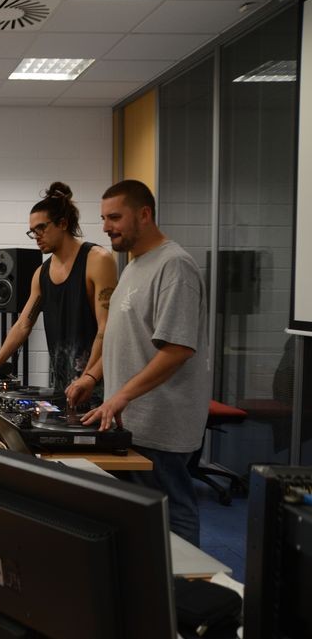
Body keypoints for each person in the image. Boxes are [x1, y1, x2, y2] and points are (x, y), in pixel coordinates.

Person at [82, 179, 210, 546]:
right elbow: (124, 338)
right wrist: (92, 377)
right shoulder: (134, 266)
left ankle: (183, 579)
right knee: (141, 519)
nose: (106, 227)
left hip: (162, 423)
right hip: (133, 421)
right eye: (103, 218)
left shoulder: (175, 266)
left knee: (172, 513)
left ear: (144, 214)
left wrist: (121, 396)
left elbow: (178, 349)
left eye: (115, 217)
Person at [0, 182, 117, 408]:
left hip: (98, 386)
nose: (36, 236)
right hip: (62, 388)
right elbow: (23, 324)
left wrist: (87, 377)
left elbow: (107, 328)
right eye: (32, 231)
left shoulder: (98, 260)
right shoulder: (41, 274)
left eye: (41, 228)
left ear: (63, 223)